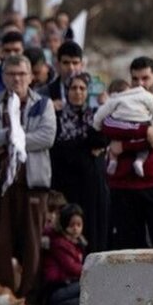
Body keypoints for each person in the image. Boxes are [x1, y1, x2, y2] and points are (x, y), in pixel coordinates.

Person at [0, 55, 56, 298]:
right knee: (0, 242)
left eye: (21, 74)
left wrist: (8, 142)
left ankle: (29, 298)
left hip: (32, 183)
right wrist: (13, 135)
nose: (17, 79)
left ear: (31, 76)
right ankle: (4, 295)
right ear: (3, 76)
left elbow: (46, 137)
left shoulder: (43, 105)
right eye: (11, 74)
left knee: (32, 242)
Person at [103, 57, 153, 249]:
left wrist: (124, 145)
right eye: (135, 79)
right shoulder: (118, 106)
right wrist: (145, 131)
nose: (140, 84)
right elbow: (107, 125)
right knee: (128, 251)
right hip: (123, 186)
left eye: (145, 78)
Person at [50, 73, 109, 253]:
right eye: (73, 88)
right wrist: (85, 145)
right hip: (67, 186)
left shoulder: (95, 115)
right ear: (66, 91)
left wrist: (104, 106)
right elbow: (58, 149)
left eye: (82, 88)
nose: (78, 92)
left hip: (93, 188)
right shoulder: (57, 117)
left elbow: (102, 140)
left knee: (94, 235)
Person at [92, 86, 153, 177]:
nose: (140, 82)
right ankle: (139, 161)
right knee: (144, 150)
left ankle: (113, 160)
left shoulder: (115, 99)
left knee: (114, 143)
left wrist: (96, 126)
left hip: (121, 123)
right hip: (143, 122)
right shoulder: (145, 95)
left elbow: (101, 113)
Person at [41, 203, 85, 305]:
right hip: (57, 291)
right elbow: (72, 268)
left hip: (67, 287)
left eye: (79, 225)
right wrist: (90, 271)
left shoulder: (77, 243)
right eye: (72, 225)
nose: (75, 228)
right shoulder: (59, 243)